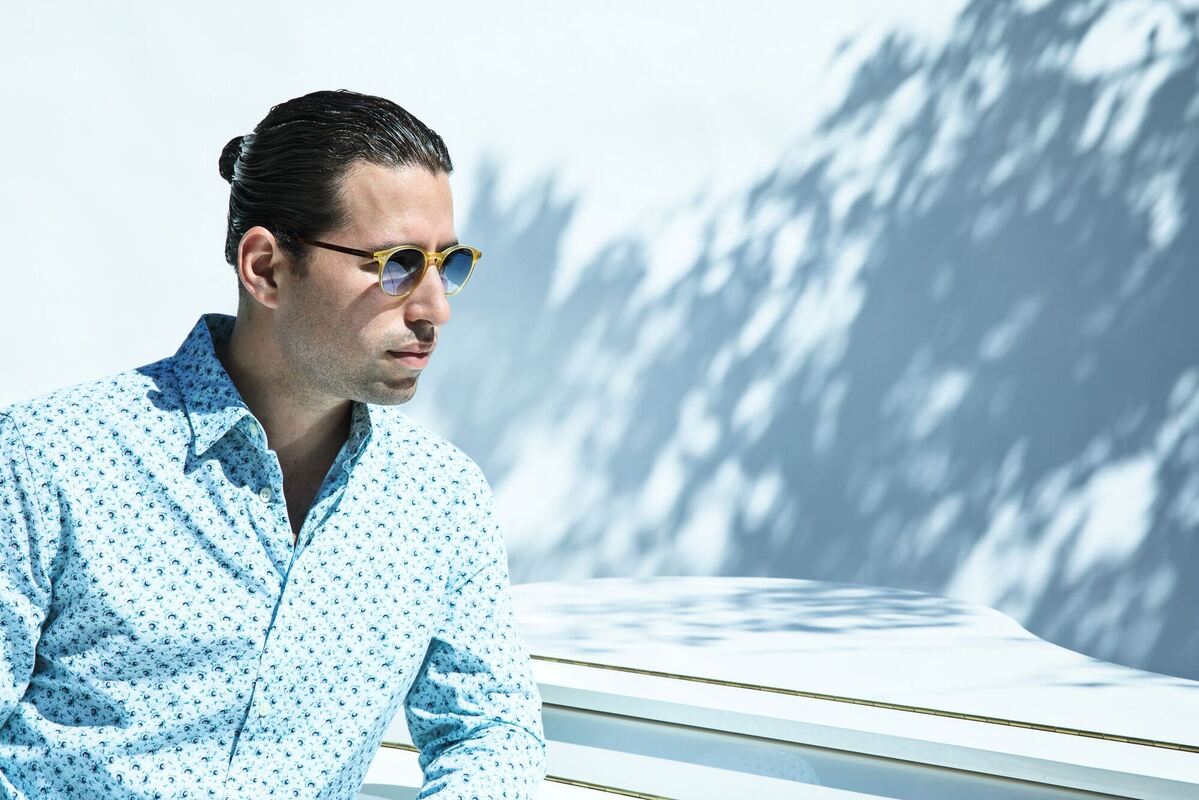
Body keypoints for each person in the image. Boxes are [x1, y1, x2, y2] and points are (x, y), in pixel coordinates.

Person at [0, 89, 547, 799]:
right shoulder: (49, 459)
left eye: (449, 263)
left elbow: (490, 731)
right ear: (265, 268)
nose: (435, 307)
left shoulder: (440, 499)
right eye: (398, 264)